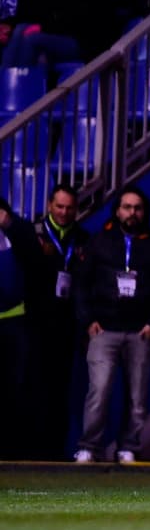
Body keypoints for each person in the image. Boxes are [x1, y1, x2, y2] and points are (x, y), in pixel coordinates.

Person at [73, 185, 150, 464]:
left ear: (145, 212)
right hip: (103, 329)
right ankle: (88, 447)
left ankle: (129, 446)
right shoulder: (99, 242)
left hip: (140, 331)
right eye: (127, 207)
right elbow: (81, 284)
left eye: (137, 207)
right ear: (117, 210)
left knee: (137, 397)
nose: (132, 212)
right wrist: (88, 320)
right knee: (99, 391)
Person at [27, 183, 89, 459]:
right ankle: (30, 449)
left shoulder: (83, 238)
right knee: (31, 385)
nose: (64, 212)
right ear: (49, 205)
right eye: (59, 206)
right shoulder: (34, 234)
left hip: (67, 324)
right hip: (34, 322)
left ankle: (54, 450)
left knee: (62, 388)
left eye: (69, 208)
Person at [0, 196, 41, 460]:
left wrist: (10, 225)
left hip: (15, 322)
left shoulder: (19, 231)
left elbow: (34, 257)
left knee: (14, 388)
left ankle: (11, 452)